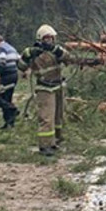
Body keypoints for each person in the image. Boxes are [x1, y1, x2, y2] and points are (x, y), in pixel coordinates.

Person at [18, 24, 69, 156]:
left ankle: (55, 142)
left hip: (58, 87)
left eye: (51, 38)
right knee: (46, 118)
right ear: (40, 39)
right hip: (45, 89)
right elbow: (21, 67)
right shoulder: (33, 52)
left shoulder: (57, 51)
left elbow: (70, 59)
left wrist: (57, 51)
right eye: (46, 38)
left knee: (58, 117)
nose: (49, 41)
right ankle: (44, 146)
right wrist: (28, 55)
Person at [0, 34, 21, 129]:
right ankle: (9, 123)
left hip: (6, 76)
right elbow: (19, 59)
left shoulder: (0, 48)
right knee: (7, 98)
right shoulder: (11, 48)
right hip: (14, 75)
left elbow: (2, 62)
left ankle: (13, 108)